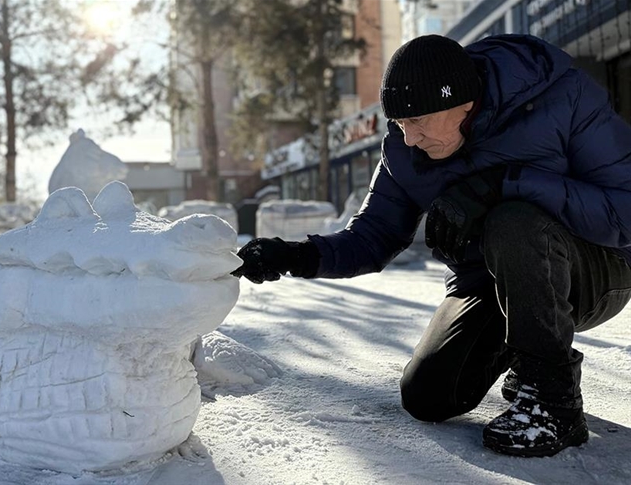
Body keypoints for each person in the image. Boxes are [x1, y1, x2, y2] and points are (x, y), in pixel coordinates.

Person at [232, 34, 631, 458]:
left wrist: (506, 183)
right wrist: (294, 255)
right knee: (428, 396)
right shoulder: (404, 152)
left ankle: (553, 401)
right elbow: (371, 237)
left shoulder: (562, 98)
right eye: (400, 124)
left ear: (463, 101)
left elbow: (624, 212)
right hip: (489, 282)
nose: (409, 138)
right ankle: (528, 352)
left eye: (418, 120)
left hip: (595, 272)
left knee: (513, 220)